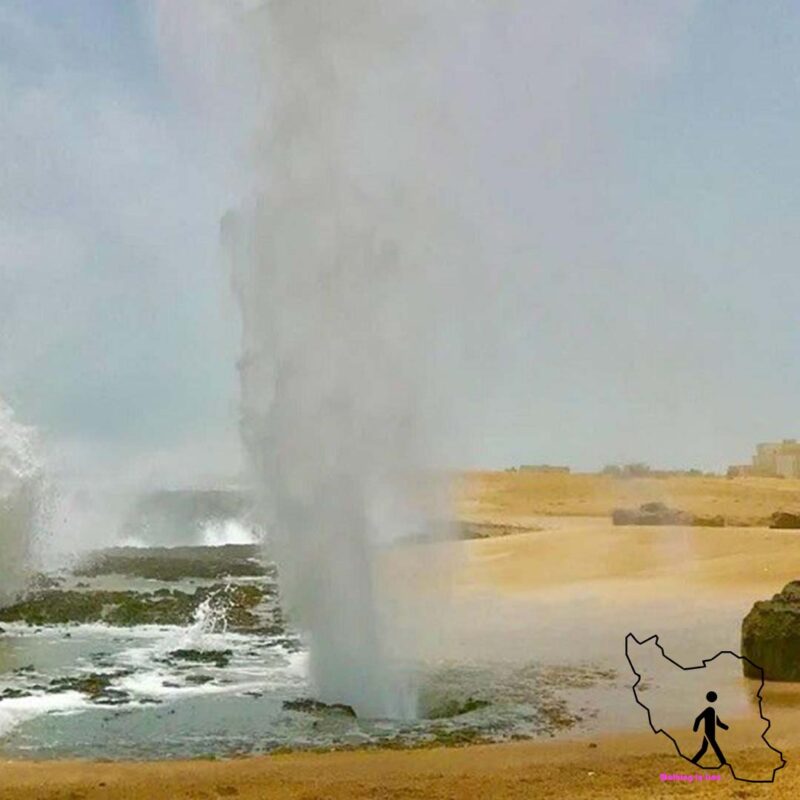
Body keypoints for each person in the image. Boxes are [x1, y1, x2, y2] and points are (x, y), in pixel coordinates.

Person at [691, 690, 728, 766]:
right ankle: (723, 761)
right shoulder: (709, 710)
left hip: (710, 732)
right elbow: (698, 718)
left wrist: (725, 727)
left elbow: (718, 722)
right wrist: (695, 728)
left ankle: (694, 760)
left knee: (704, 748)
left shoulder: (712, 710)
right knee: (714, 747)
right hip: (708, 733)